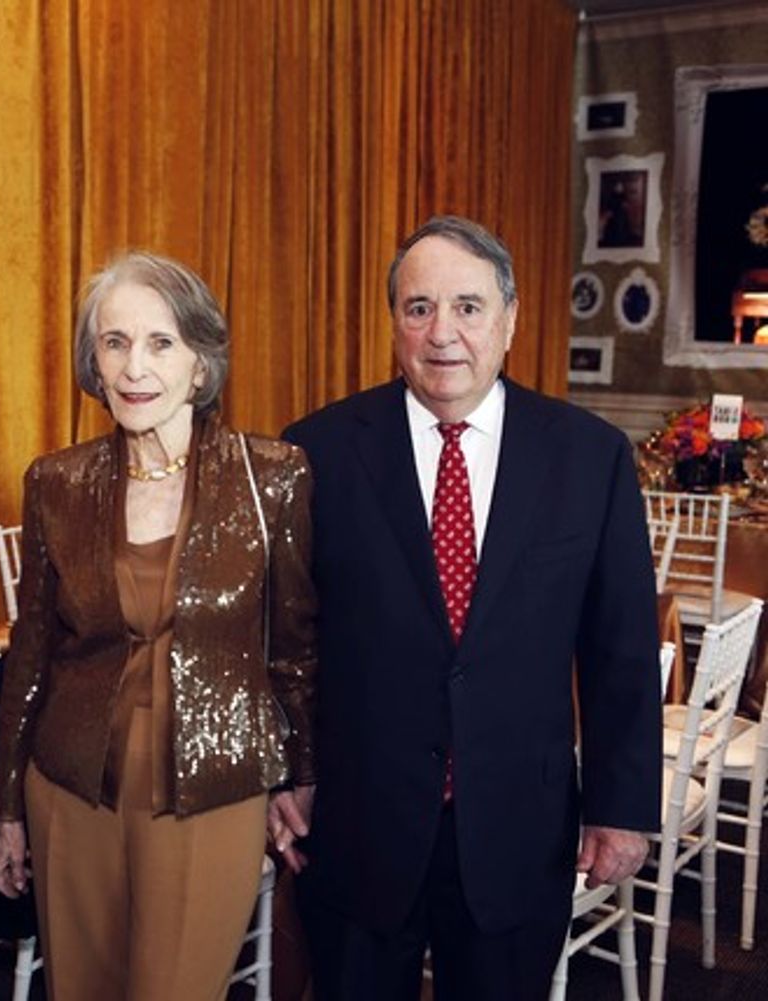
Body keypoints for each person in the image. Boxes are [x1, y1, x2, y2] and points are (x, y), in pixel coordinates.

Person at [279, 215, 661, 1000]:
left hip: (520, 829)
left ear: (511, 318)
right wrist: (288, 771)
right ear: (393, 324)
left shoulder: (589, 457)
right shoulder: (315, 451)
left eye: (468, 306)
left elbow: (621, 649)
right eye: (419, 308)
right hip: (357, 828)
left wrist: (623, 808)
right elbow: (287, 635)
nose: (442, 332)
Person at [0, 251, 319, 1001]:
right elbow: (32, 653)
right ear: (94, 363)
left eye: (161, 342)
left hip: (212, 790)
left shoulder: (272, 475)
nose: (136, 366)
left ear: (201, 364)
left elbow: (294, 647)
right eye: (115, 342)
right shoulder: (56, 482)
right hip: (72, 789)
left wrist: (301, 775)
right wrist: (8, 807)